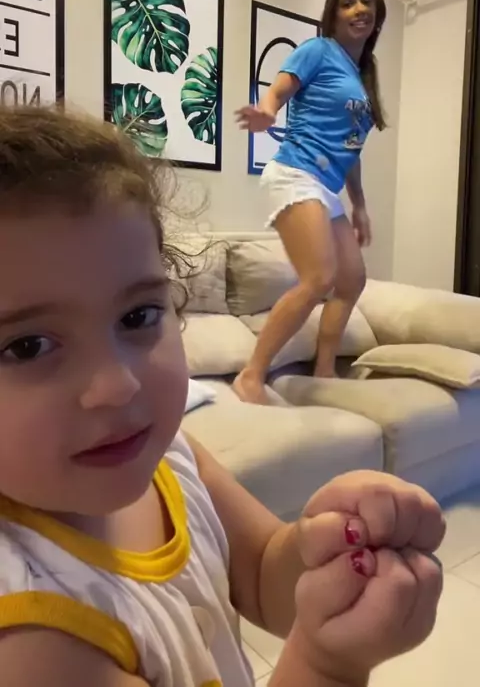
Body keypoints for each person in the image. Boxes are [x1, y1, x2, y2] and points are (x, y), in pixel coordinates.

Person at [0, 105, 444, 687]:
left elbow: (261, 572)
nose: (118, 384)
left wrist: (328, 559)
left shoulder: (168, 459)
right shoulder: (30, 639)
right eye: (28, 346)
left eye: (138, 315)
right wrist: (329, 666)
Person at [235, 0, 387, 405]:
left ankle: (324, 370)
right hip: (294, 173)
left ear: (377, 12)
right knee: (318, 277)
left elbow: (351, 148)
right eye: (347, 2)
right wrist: (267, 110)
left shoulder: (363, 73)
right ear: (334, 14)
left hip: (326, 187)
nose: (358, 9)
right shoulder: (318, 50)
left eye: (366, 1)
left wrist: (359, 206)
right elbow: (280, 88)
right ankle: (250, 375)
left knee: (352, 279)